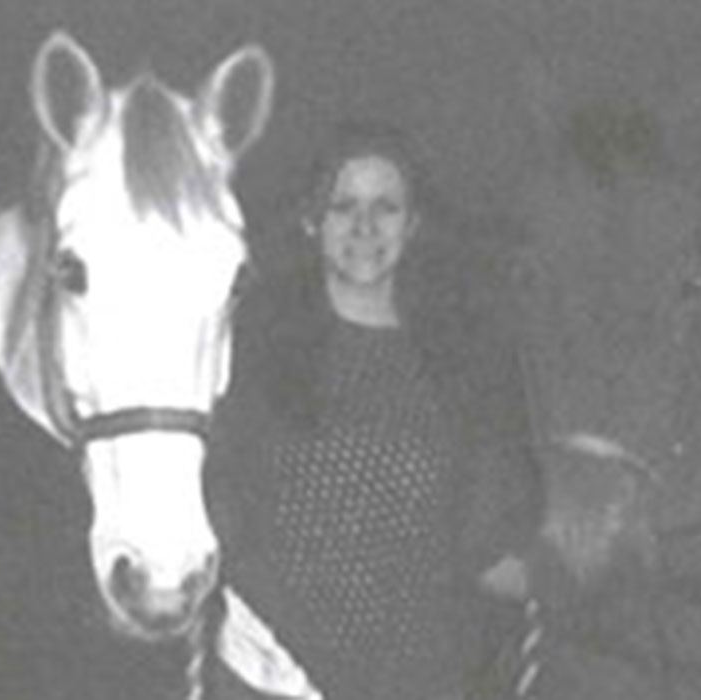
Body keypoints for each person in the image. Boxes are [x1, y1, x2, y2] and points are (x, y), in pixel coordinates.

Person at [206, 121, 543, 700]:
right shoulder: (250, 352)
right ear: (313, 222)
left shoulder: (459, 368)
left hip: (417, 681)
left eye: (385, 207)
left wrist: (580, 576)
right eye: (344, 206)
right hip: (272, 678)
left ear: (412, 226)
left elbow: (481, 542)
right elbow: (220, 515)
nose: (364, 226)